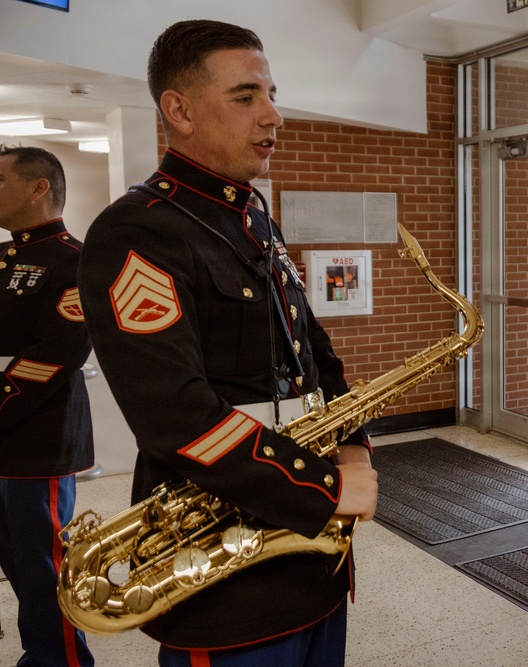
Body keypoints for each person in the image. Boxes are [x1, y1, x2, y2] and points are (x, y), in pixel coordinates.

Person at [77, 20, 378, 667]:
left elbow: (310, 345)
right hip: (227, 574)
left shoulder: (250, 214)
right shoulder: (136, 231)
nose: (273, 115)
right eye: (246, 96)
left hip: (310, 552)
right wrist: (325, 486)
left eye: (271, 93)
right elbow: (176, 418)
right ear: (177, 110)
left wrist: (353, 440)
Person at [0, 145, 95, 666]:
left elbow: (52, 359)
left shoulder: (73, 261)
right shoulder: (2, 258)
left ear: (39, 188)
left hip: (38, 438)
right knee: (16, 566)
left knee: (44, 570)